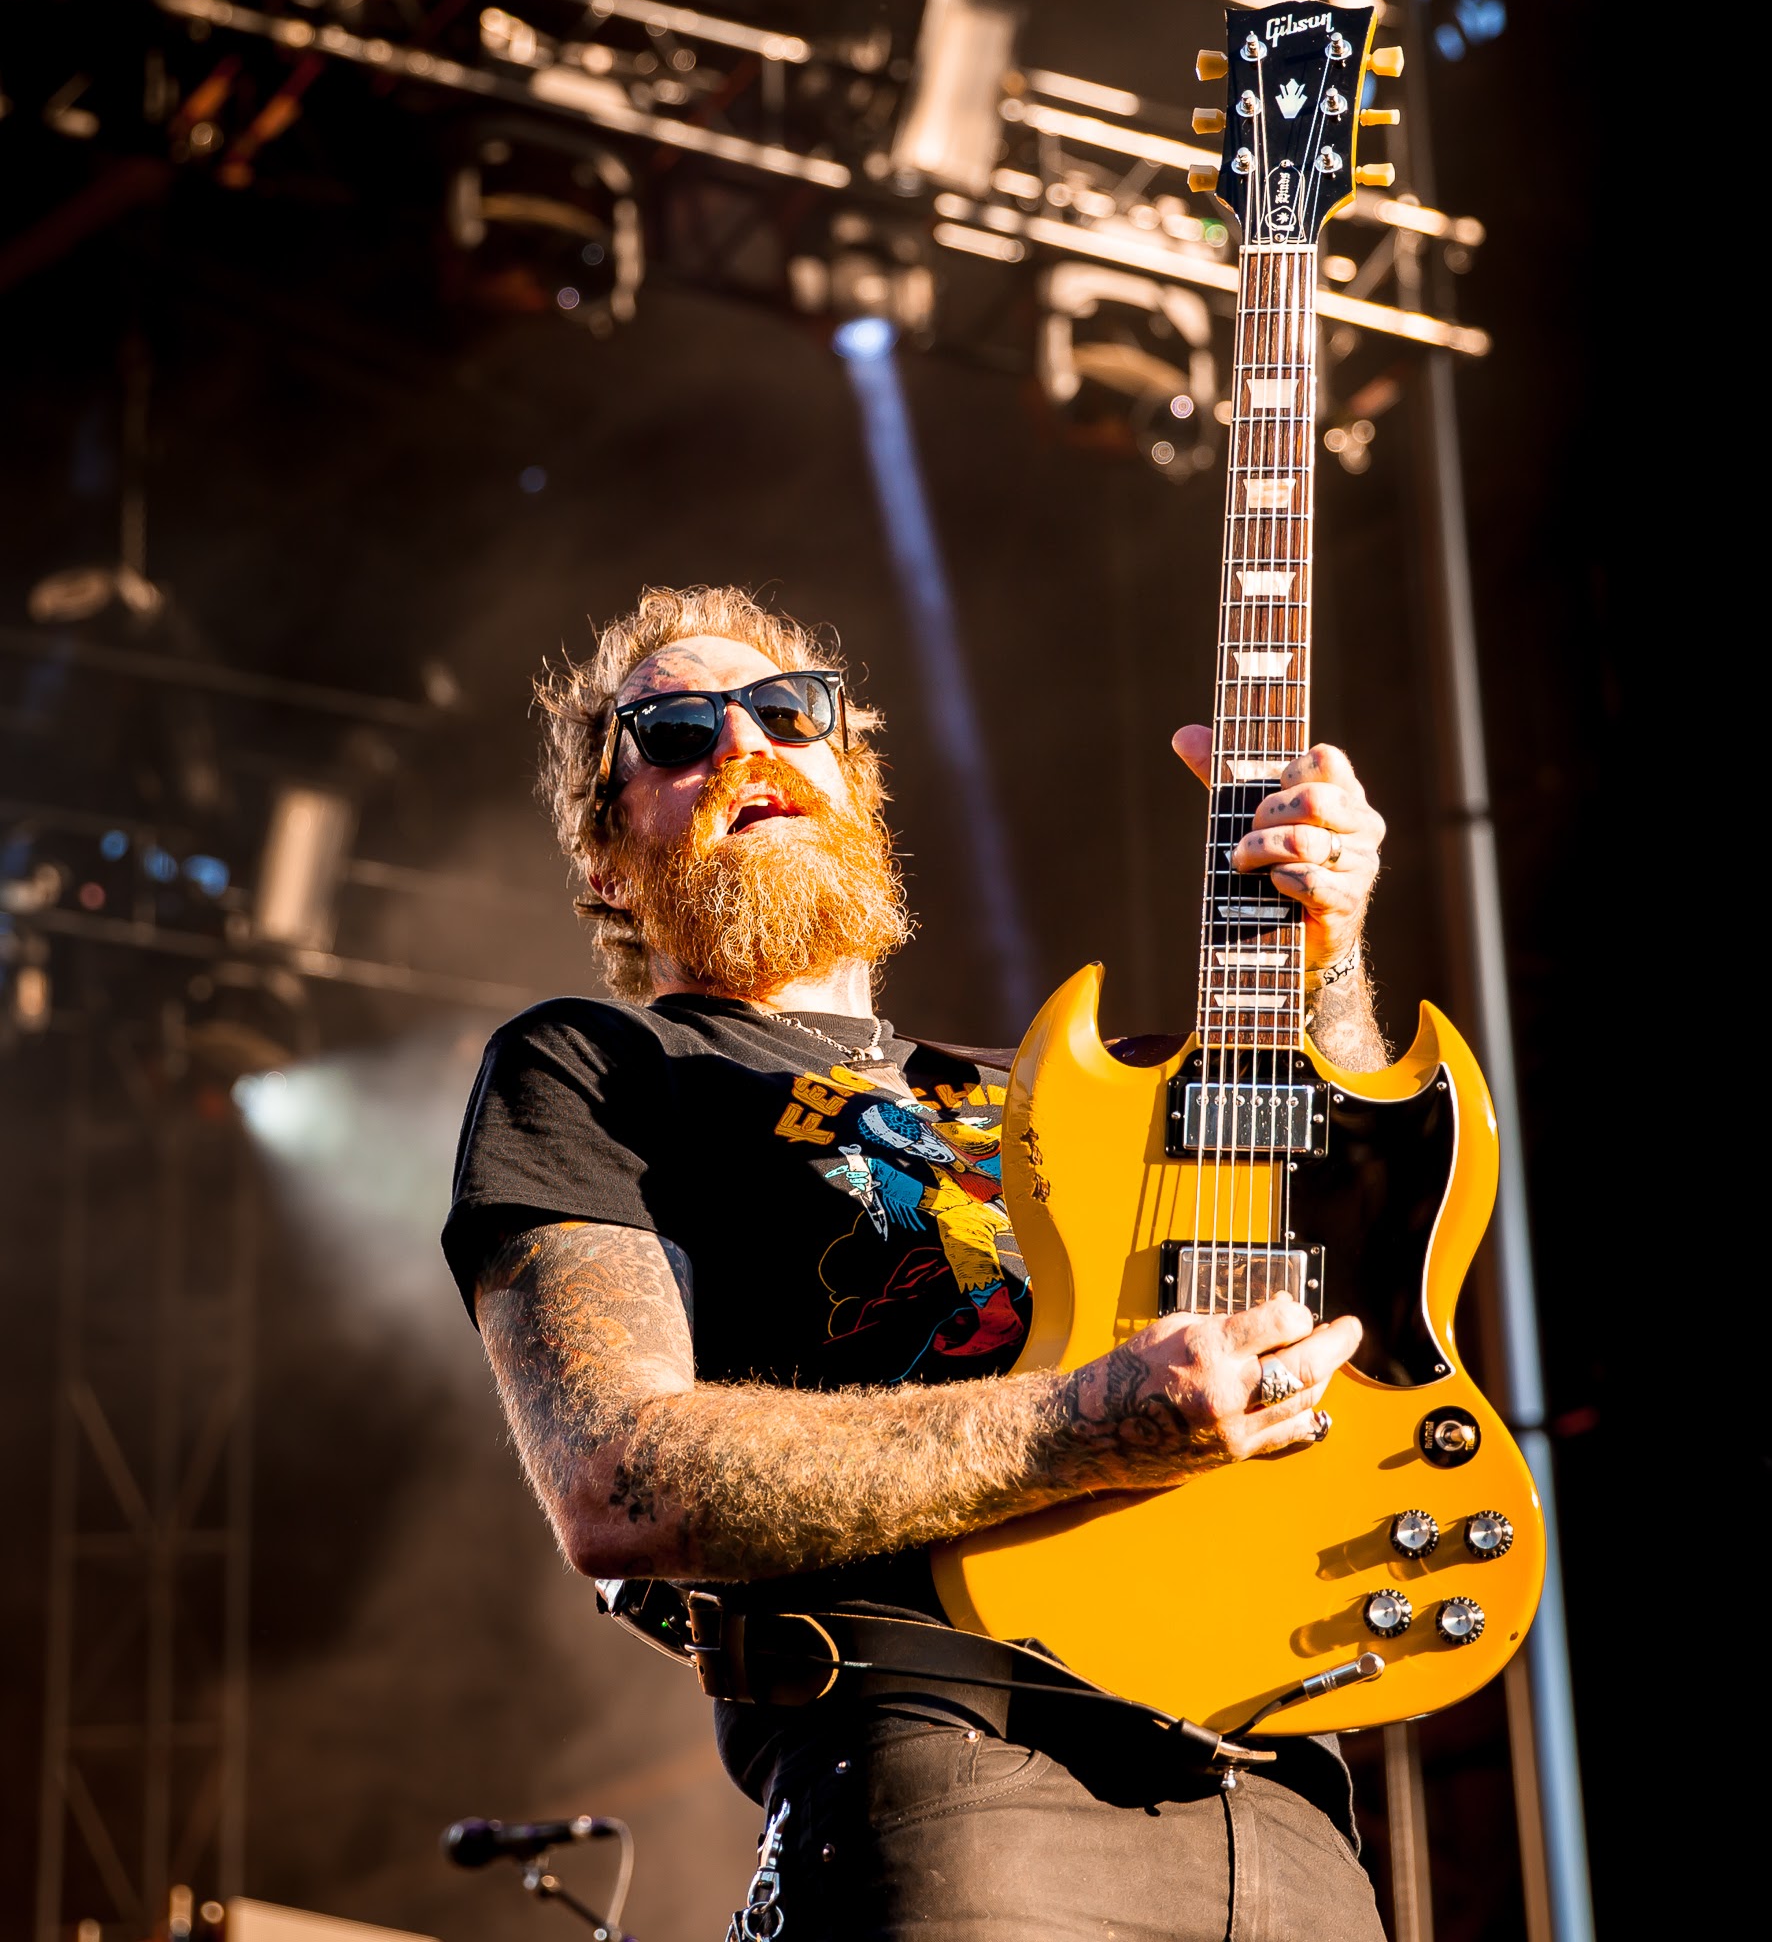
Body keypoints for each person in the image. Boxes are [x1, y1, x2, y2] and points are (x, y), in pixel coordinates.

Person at [443, 586, 1396, 1940]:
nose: (746, 744)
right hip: (954, 1778)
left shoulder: (1063, 1090)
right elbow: (617, 1476)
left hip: (1285, 1778)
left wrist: (1326, 956)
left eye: (788, 712)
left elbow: (1344, 1228)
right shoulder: (597, 1068)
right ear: (606, 861)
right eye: (675, 733)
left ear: (857, 782)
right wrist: (1088, 1423)